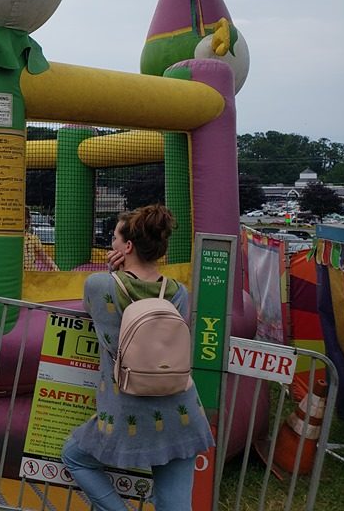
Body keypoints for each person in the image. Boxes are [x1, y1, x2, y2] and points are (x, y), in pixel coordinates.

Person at [61, 204, 213, 511]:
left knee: (75, 457)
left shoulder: (100, 286)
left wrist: (112, 272)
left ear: (127, 247)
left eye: (115, 239)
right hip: (181, 410)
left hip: (125, 412)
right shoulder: (179, 292)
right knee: (175, 505)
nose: (112, 244)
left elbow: (94, 307)